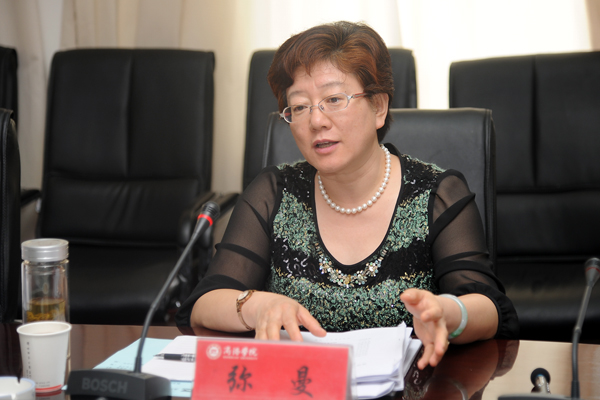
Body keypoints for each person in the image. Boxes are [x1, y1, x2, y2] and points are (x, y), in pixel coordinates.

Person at [176, 21, 518, 370]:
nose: (316, 121)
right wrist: (257, 306)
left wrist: (449, 313)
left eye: (334, 100)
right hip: (298, 386)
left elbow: (490, 308)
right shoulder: (273, 192)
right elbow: (204, 304)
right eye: (299, 106)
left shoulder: (437, 194)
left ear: (379, 107)